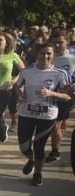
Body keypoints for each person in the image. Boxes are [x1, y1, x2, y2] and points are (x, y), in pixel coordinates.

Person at [14, 44, 71, 186]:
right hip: (26, 113)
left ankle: (38, 173)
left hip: (47, 116)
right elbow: (18, 86)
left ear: (53, 56)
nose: (45, 56)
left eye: (48, 54)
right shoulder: (26, 72)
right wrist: (20, 94)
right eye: (42, 53)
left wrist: (52, 93)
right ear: (36, 54)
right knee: (23, 146)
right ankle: (31, 159)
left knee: (39, 146)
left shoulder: (60, 74)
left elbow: (67, 96)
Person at [0, 33, 24, 155]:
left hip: (5, 91)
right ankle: (2, 128)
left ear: (6, 42)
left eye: (1, 40)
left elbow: (24, 71)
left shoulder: (12, 55)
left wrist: (14, 81)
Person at [46, 32, 75, 162]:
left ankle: (55, 151)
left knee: (55, 125)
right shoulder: (48, 56)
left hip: (64, 96)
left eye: (60, 42)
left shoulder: (72, 58)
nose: (57, 45)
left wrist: (72, 86)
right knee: (52, 125)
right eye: (55, 42)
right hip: (47, 95)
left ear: (67, 42)